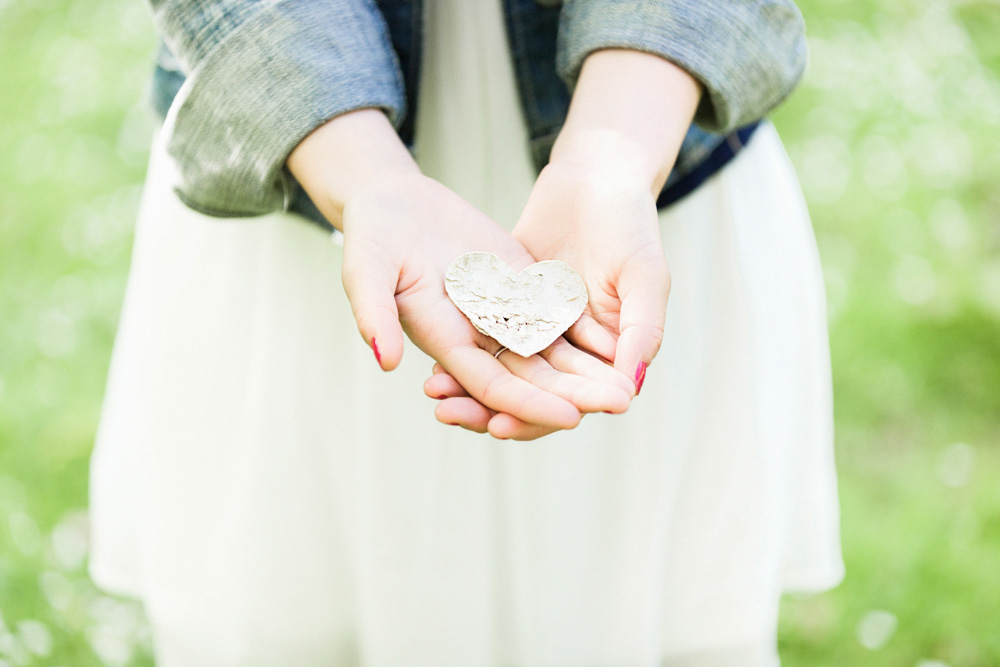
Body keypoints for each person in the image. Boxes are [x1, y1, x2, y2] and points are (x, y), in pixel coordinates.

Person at [89, 0, 844, 664]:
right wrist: (364, 178)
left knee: (632, 592)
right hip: (295, 141)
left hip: (651, 121)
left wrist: (614, 156)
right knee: (297, 595)